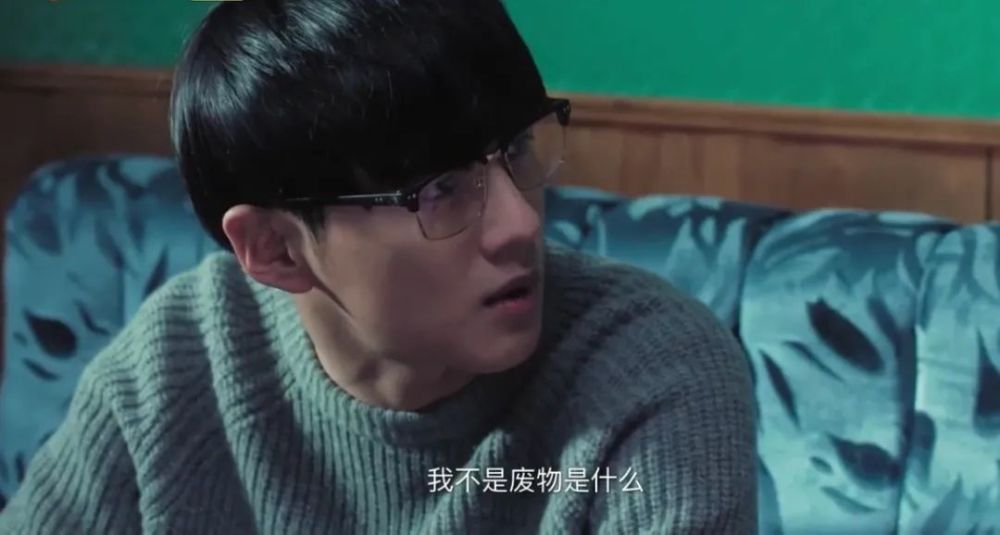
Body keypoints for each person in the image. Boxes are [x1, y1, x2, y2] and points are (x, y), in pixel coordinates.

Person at [0, 0, 757, 532]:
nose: (523, 224)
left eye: (518, 150)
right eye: (441, 188)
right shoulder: (178, 364)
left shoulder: (650, 372)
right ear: (276, 248)